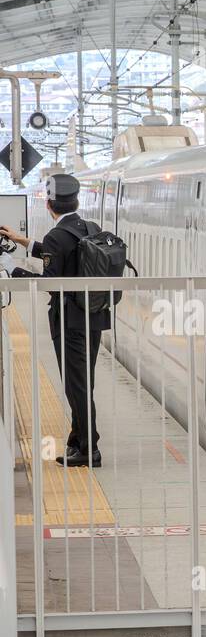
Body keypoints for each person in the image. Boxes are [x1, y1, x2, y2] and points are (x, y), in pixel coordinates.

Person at [1, 174, 108, 467]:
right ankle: (78, 440)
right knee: (84, 381)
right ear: (74, 202)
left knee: (76, 385)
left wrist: (13, 269)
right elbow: (65, 255)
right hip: (94, 316)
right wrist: (23, 241)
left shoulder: (55, 237)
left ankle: (89, 449)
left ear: (49, 205)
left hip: (70, 321)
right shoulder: (90, 227)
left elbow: (49, 281)